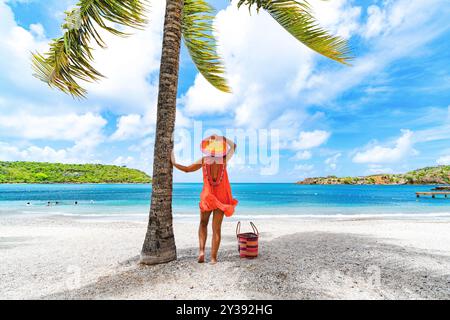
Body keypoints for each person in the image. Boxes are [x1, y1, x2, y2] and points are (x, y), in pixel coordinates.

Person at [171, 135, 238, 264]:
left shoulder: (204, 160)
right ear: (220, 149)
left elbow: (186, 170)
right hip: (222, 197)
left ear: (208, 148)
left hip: (207, 195)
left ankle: (201, 251)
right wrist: (223, 138)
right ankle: (213, 258)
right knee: (216, 228)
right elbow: (234, 146)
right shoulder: (223, 160)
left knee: (203, 224)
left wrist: (174, 163)